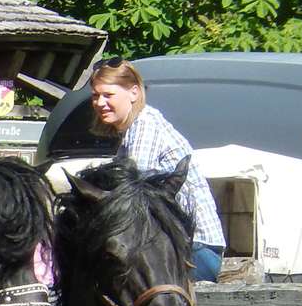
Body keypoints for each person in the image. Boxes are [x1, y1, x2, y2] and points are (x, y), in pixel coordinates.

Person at [87, 57, 225, 281]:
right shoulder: (131, 131)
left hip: (195, 249)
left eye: (108, 95)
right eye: (95, 95)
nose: (100, 102)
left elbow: (133, 193)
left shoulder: (146, 124)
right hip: (174, 243)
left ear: (133, 93)